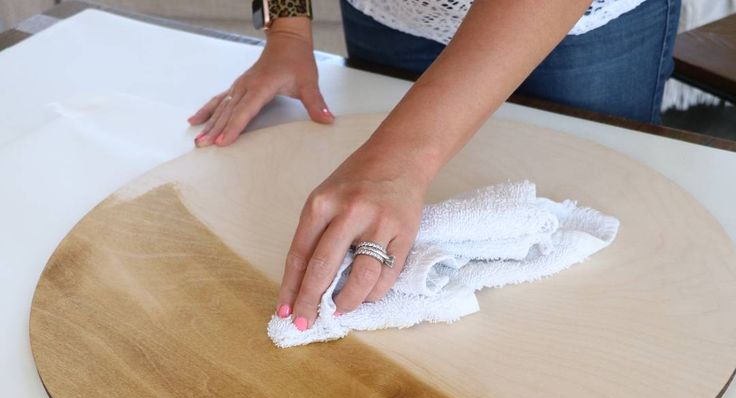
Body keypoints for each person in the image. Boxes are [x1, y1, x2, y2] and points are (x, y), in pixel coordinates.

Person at [188, 0, 680, 332]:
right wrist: (288, 28)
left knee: (598, 294)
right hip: (391, 14)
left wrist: (395, 162)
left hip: (574, 28)